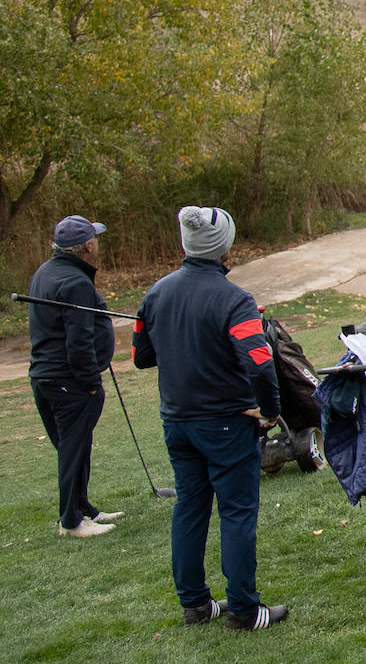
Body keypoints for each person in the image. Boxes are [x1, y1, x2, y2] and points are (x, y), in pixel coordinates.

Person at [131, 206, 287, 630]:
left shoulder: (156, 293)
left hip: (177, 423)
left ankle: (195, 605)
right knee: (237, 512)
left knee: (190, 507)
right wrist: (271, 410)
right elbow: (259, 362)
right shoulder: (234, 299)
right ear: (224, 246)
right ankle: (242, 609)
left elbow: (140, 357)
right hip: (225, 423)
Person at [27, 215, 123, 538]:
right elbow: (78, 340)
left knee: (77, 444)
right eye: (95, 239)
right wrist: (89, 381)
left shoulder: (45, 272)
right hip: (68, 380)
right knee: (72, 447)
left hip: (45, 377)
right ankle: (70, 521)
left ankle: (83, 508)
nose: (97, 243)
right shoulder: (76, 282)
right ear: (88, 246)